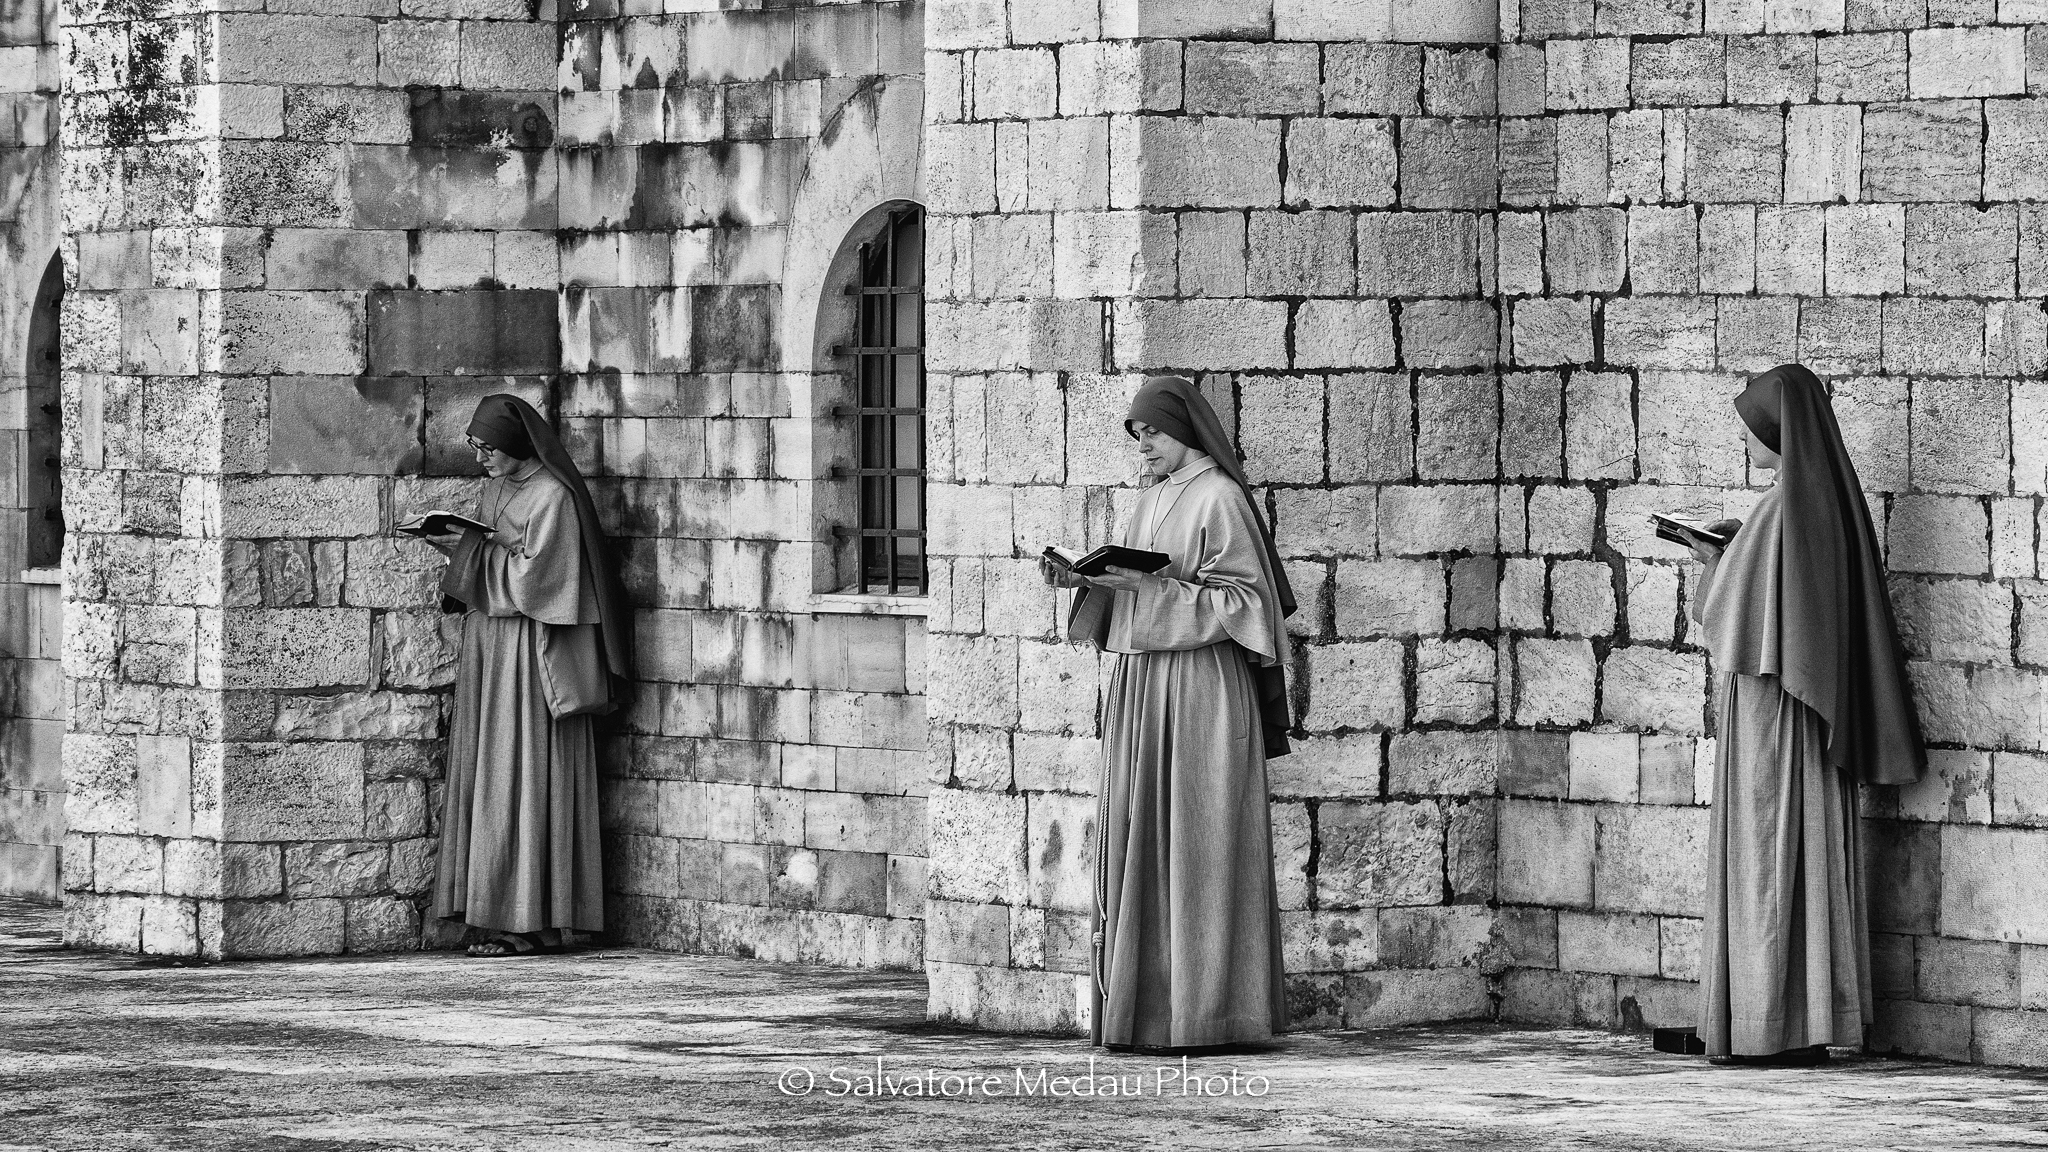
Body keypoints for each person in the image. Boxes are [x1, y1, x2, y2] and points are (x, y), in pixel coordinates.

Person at [1678, 364, 1924, 1065]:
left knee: (1767, 852)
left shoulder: (1782, 508)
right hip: (1810, 713)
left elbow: (1728, 618)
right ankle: (1809, 1016)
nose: (1747, 438)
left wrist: (1708, 560)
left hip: (1771, 713)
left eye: (1754, 426)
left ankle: (1764, 1023)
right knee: (1805, 853)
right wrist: (1734, 557)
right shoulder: (1826, 501)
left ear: (1778, 431)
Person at [1041, 374, 1294, 1052]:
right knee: (1141, 832)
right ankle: (1148, 1011)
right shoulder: (1150, 500)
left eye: (1150, 430)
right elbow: (1137, 590)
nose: (1142, 443)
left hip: (1201, 689)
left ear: (1181, 429)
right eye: (1136, 433)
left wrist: (1151, 591)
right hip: (1144, 686)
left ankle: (1210, 1010)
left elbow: (1249, 605)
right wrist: (1088, 580)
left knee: (1200, 835)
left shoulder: (1220, 497)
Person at [425, 394, 633, 957]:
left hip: (531, 651)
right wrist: (465, 548)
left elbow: (539, 583)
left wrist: (470, 552)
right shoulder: (499, 487)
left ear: (517, 445)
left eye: (488, 448)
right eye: (475, 447)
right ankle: (490, 912)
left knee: (525, 771)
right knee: (489, 768)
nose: (480, 459)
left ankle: (530, 921)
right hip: (491, 647)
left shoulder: (554, 498)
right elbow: (494, 553)